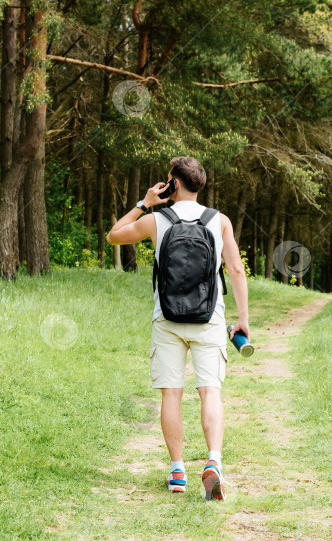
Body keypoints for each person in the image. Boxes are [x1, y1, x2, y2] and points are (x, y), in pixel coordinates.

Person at [106, 156, 250, 501]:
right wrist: (243, 319)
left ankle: (177, 470)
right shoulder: (220, 221)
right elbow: (236, 271)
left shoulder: (156, 220)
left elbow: (113, 236)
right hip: (209, 317)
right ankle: (213, 462)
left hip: (167, 318)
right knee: (210, 391)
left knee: (172, 393)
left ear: (173, 183)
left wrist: (144, 203)